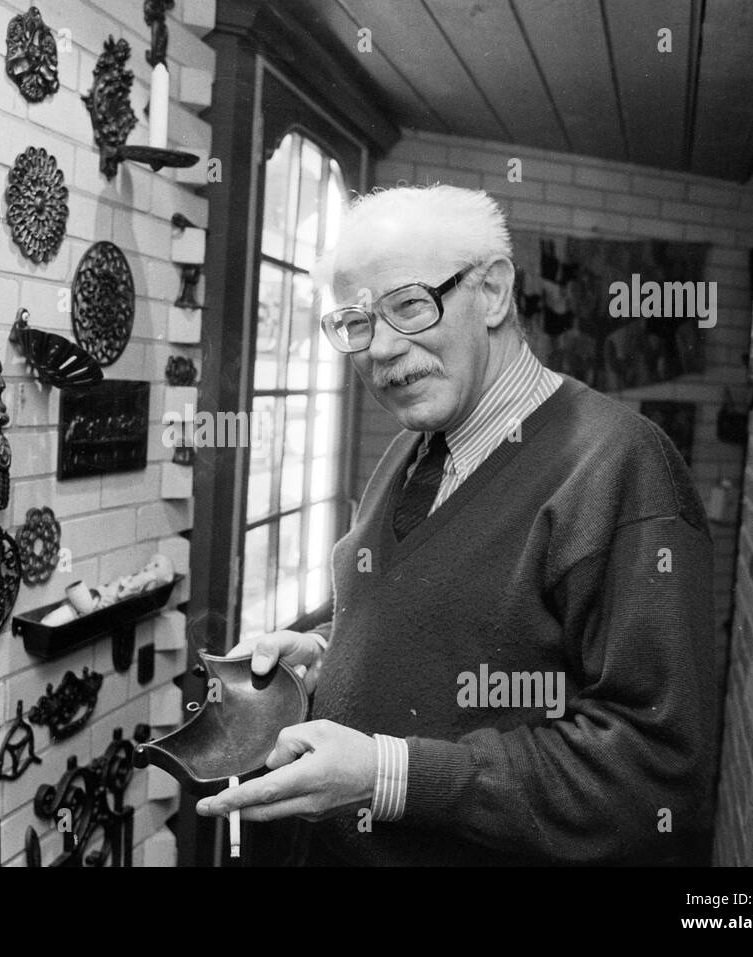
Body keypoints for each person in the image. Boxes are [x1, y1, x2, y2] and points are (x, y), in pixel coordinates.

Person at [196, 184, 717, 865]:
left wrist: (390, 775)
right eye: (355, 323)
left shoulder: (623, 468)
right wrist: (326, 654)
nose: (380, 349)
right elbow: (433, 618)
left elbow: (655, 774)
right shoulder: (414, 443)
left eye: (408, 306)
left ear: (494, 291)